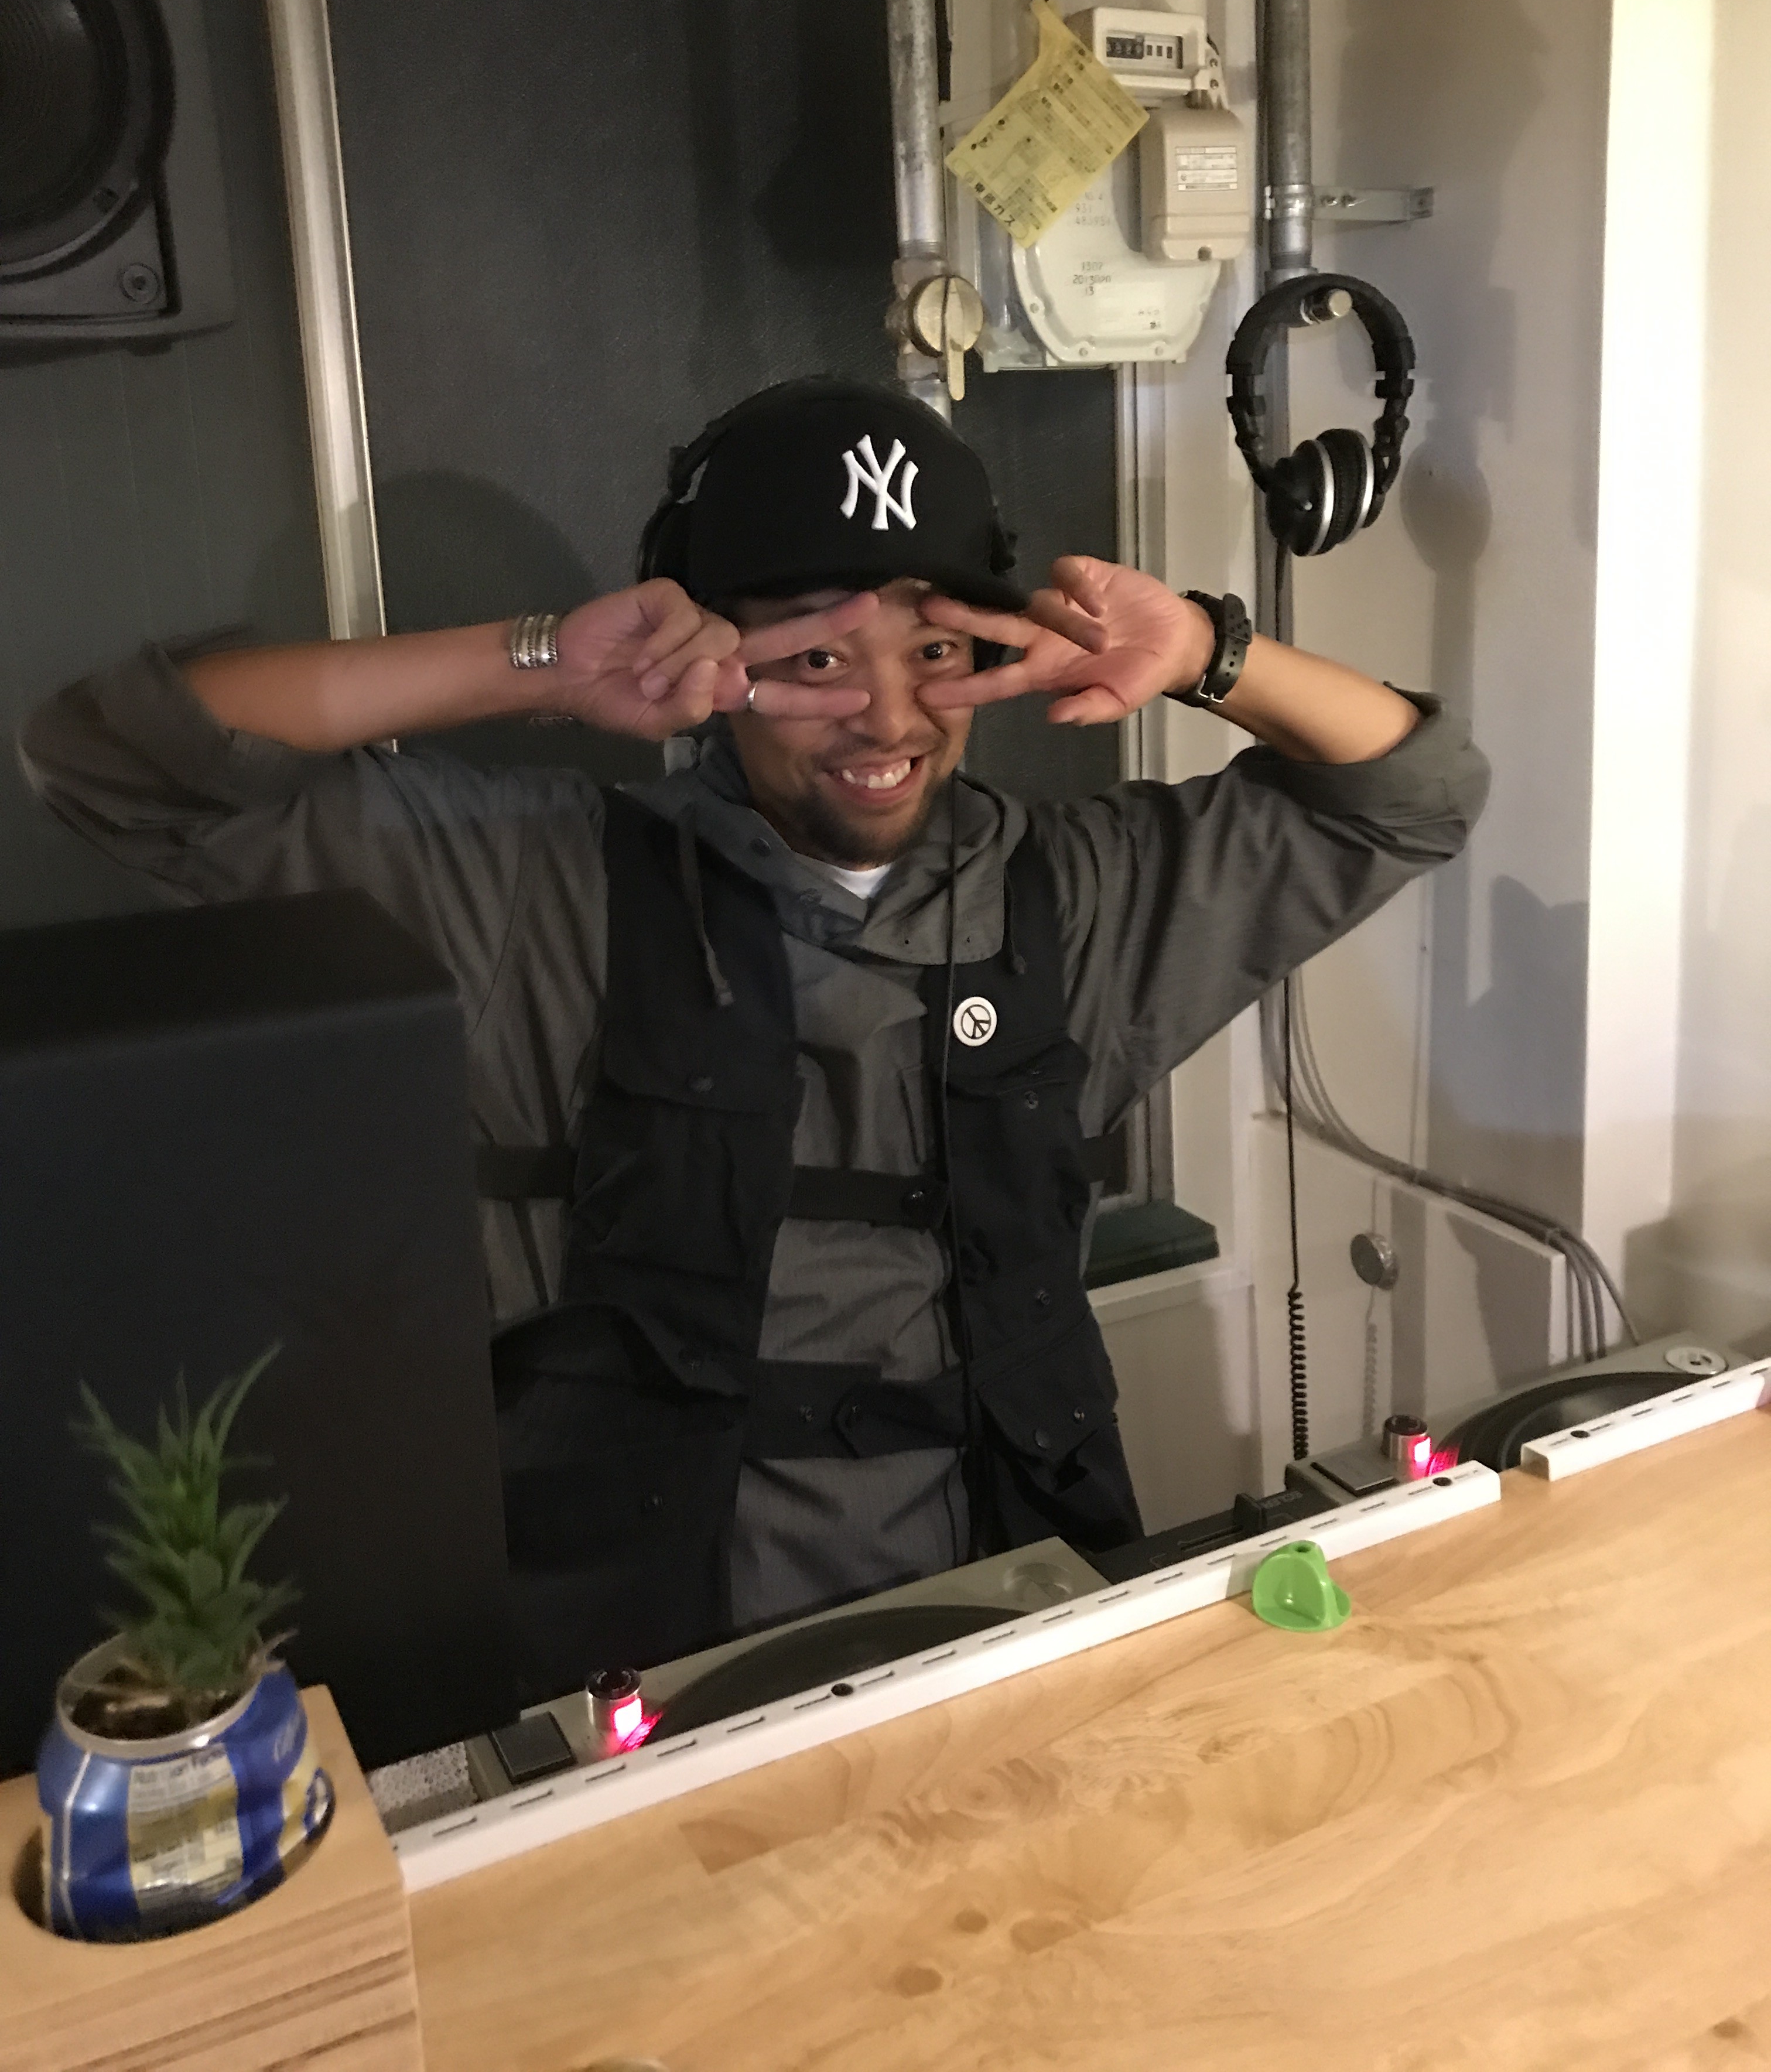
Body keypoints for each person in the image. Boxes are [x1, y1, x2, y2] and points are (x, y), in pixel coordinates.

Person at [20, 379, 1488, 1691]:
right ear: (712, 664)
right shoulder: (546, 891)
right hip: (644, 1679)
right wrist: (548, 660)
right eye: (818, 660)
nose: (887, 717)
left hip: (1016, 1628)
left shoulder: (1076, 898)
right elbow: (112, 760)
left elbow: (1418, 792)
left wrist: (1209, 651)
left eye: (934, 648)